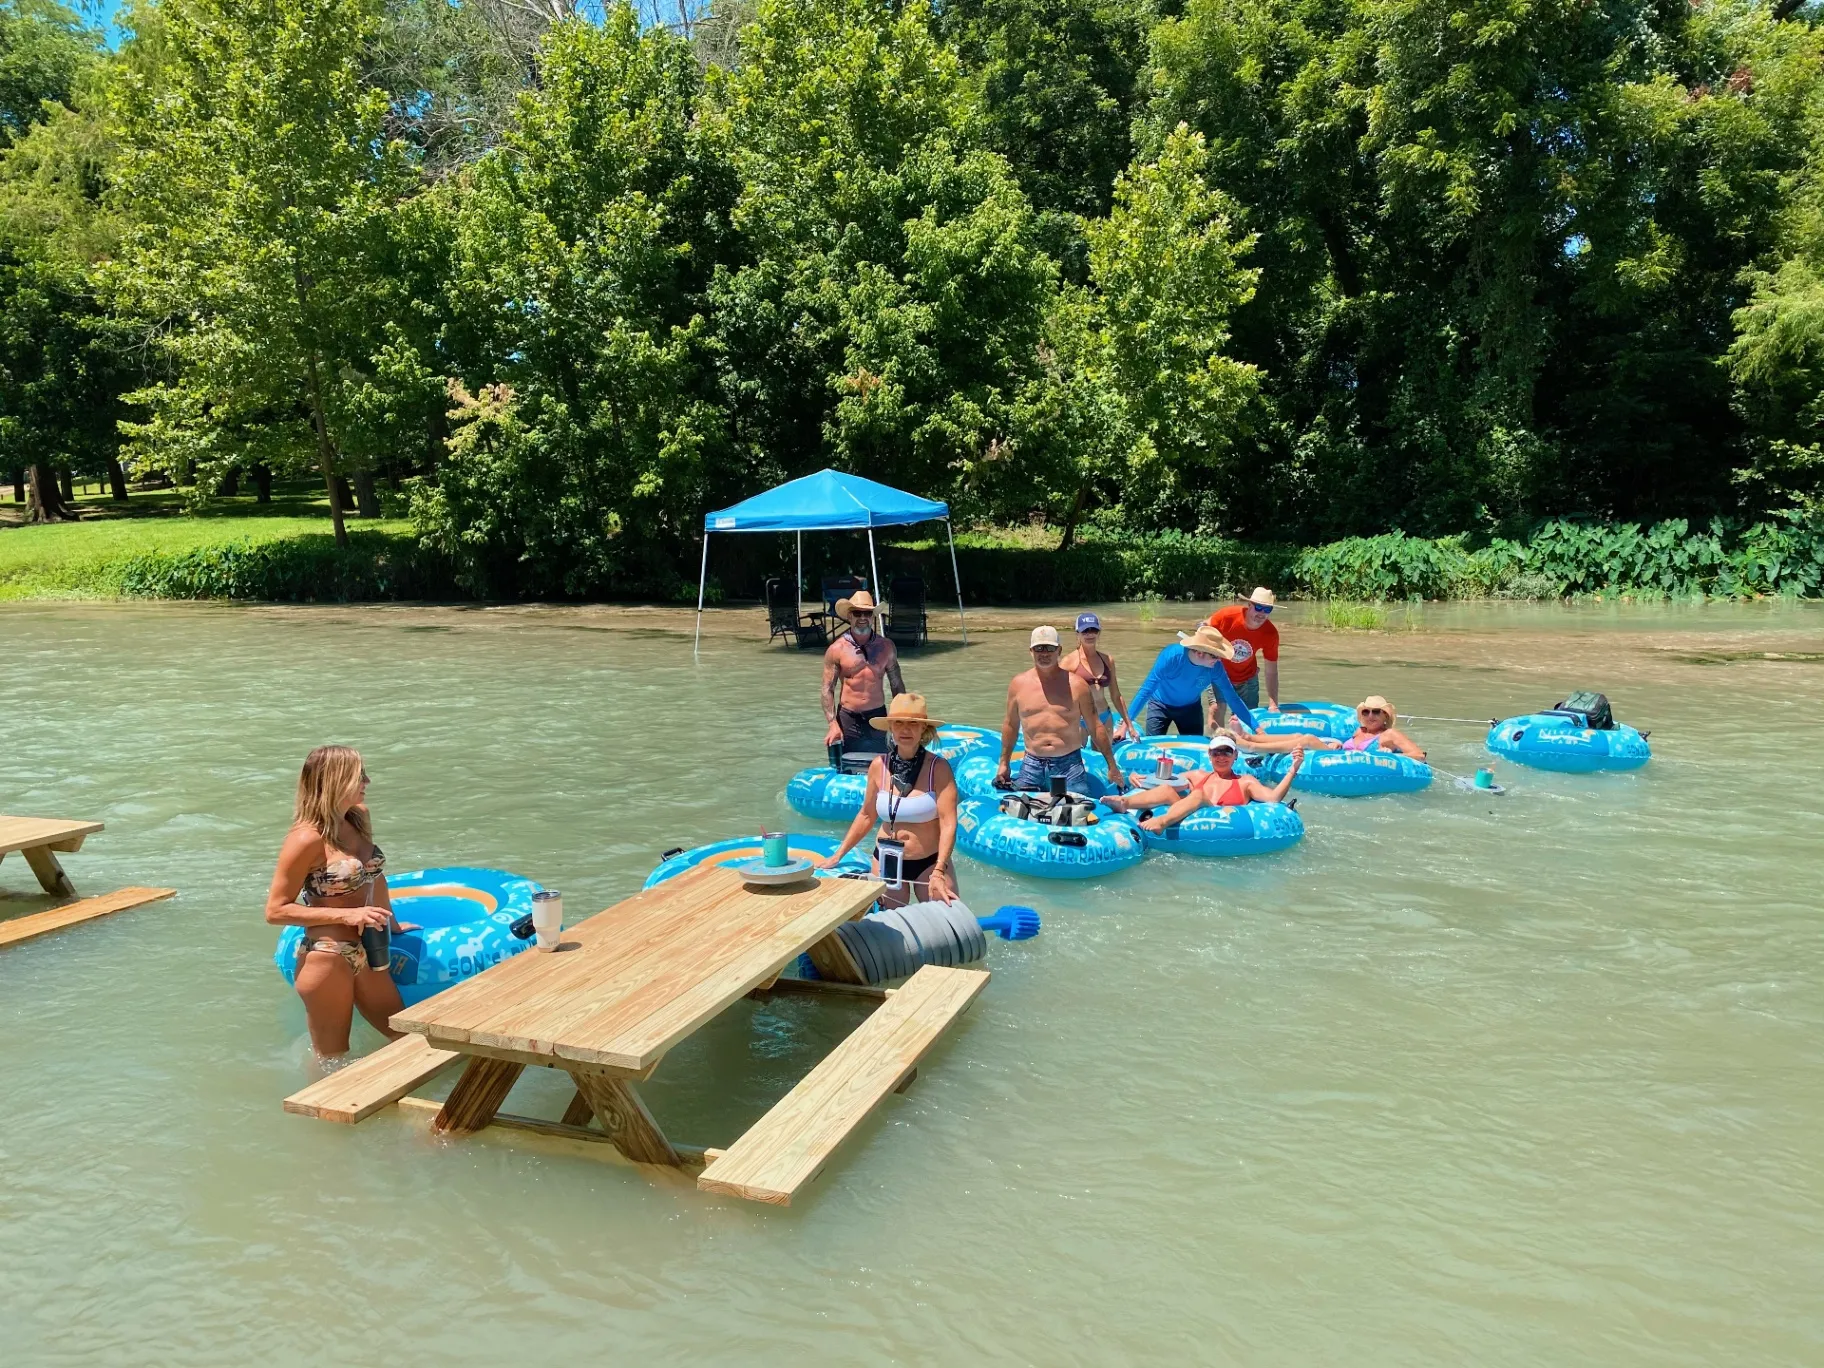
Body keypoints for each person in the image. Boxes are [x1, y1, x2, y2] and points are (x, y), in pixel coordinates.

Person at [264, 746, 418, 1066]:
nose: (367, 780)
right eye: (359, 774)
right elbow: (275, 910)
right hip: (327, 954)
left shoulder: (358, 817)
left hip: (369, 949)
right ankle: (322, 1114)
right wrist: (349, 914)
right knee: (332, 1061)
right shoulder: (306, 838)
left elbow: (375, 877)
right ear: (336, 780)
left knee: (408, 1037)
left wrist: (393, 923)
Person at [817, 694, 960, 907]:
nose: (905, 729)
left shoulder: (938, 768)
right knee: (890, 927)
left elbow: (949, 823)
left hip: (930, 861)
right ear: (890, 727)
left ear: (924, 729)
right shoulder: (878, 766)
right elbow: (866, 815)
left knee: (948, 914)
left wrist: (939, 870)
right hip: (888, 859)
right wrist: (838, 855)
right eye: (898, 723)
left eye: (913, 724)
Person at [994, 625, 1128, 794]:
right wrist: (1004, 763)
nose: (1044, 653)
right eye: (1039, 648)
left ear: (1059, 650)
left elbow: (1095, 726)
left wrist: (1112, 765)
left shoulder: (1077, 685)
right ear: (1031, 651)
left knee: (1077, 814)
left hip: (1069, 764)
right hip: (1031, 763)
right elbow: (1011, 725)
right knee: (1016, 810)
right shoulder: (1018, 685)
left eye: (1050, 648)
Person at [1106, 732, 1304, 832]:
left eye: (1226, 752)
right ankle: (1125, 803)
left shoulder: (1245, 782)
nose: (1221, 757)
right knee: (1167, 789)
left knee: (1198, 795)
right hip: (1190, 818)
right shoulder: (1198, 775)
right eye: (1216, 752)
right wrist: (1134, 778)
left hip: (1221, 823)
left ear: (1235, 755)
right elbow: (1165, 782)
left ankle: (1162, 822)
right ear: (1210, 755)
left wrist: (1293, 768)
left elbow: (1274, 798)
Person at [1126, 624, 1260, 737]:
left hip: (1190, 709)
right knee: (1153, 751)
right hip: (1159, 706)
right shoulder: (1171, 656)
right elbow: (1146, 690)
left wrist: (1259, 731)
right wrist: (1126, 724)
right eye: (1215, 655)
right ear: (1199, 653)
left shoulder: (1215, 668)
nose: (1219, 660)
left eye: (1220, 656)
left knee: (1197, 753)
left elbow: (1233, 699)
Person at [821, 590, 905, 755]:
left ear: (872, 616)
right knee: (848, 770)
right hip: (848, 719)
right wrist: (832, 724)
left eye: (866, 613)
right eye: (857, 613)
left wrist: (900, 718)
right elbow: (827, 689)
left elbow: (897, 685)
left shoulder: (886, 647)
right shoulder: (837, 649)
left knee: (881, 767)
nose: (862, 617)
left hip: (878, 718)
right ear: (849, 616)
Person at [1206, 587, 1280, 728]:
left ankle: (1243, 747)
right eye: (1258, 607)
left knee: (1247, 717)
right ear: (1249, 605)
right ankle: (1218, 744)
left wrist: (1273, 704)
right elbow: (1203, 629)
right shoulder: (1227, 616)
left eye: (1267, 610)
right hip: (1219, 674)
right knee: (1216, 708)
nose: (1261, 613)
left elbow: (1271, 670)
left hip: (1247, 678)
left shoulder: (1270, 633)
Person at [1060, 612, 1132, 742]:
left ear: (1099, 633)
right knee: (1078, 761)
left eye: (1094, 630)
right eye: (1085, 631)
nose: (1090, 634)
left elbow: (1116, 695)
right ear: (1078, 633)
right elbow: (1058, 696)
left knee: (1103, 761)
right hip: (1080, 720)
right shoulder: (1068, 662)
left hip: (1104, 717)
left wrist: (1129, 726)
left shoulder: (1107, 660)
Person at [1343, 695, 1426, 758]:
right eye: (1366, 712)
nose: (1370, 716)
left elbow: (1419, 755)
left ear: (1385, 715)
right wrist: (1338, 745)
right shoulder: (1360, 730)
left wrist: (1391, 756)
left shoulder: (1389, 734)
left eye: (1376, 712)